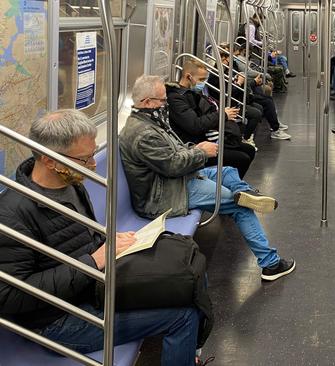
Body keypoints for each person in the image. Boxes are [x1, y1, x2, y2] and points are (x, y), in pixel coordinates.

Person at [0, 109, 205, 366]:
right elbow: (9, 297)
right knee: (183, 315)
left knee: (186, 267)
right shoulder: (12, 214)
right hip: (58, 320)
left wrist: (110, 240)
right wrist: (93, 261)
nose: (93, 166)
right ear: (50, 160)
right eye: (85, 160)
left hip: (94, 288)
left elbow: (82, 238)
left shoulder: (71, 185)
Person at [120, 75, 296, 281]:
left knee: (227, 170)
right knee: (240, 207)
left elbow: (172, 154)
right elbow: (173, 165)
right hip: (164, 195)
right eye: (162, 101)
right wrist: (201, 152)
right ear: (147, 102)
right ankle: (271, 264)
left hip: (172, 182)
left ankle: (244, 192)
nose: (166, 104)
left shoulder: (149, 122)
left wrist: (194, 149)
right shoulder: (143, 134)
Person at [166, 59, 257, 178]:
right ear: (189, 76)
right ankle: (231, 188)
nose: (203, 83)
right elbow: (195, 126)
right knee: (242, 159)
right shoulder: (176, 99)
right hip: (193, 144)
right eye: (201, 80)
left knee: (249, 150)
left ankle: (233, 184)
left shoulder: (192, 93)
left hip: (204, 136)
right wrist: (222, 115)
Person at [209, 48, 291, 141]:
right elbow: (230, 91)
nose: (229, 61)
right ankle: (250, 136)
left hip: (240, 95)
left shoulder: (228, 68)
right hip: (233, 100)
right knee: (262, 105)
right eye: (226, 59)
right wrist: (241, 83)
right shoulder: (217, 74)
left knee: (265, 100)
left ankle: (274, 125)